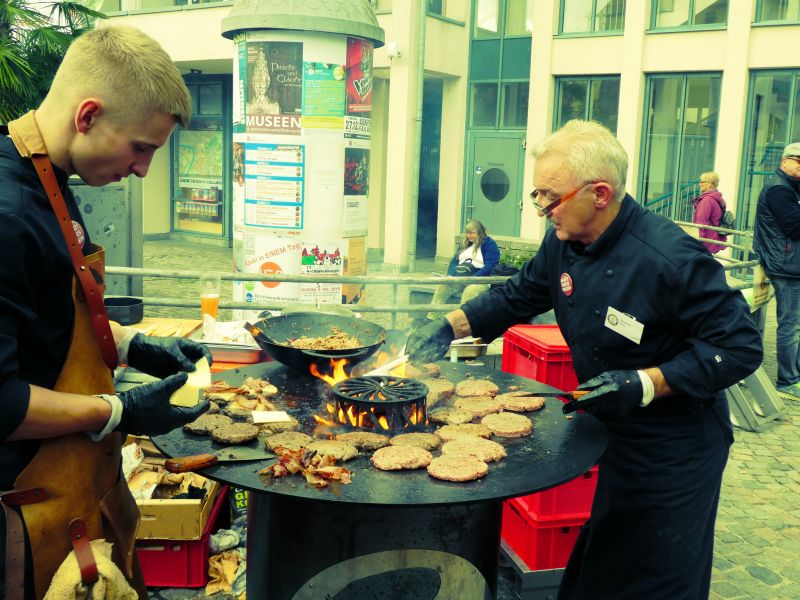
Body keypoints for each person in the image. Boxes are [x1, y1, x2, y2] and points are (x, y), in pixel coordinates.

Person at [408, 120, 762, 599]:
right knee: (601, 567)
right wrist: (450, 326)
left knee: (658, 579)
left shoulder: (670, 257)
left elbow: (739, 346)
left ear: (599, 193)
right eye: (536, 195)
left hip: (677, 445)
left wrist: (644, 382)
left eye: (548, 196)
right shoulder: (563, 240)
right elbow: (519, 294)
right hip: (615, 431)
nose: (540, 210)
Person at [0, 26, 212, 598]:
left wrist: (133, 344)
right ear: (88, 114)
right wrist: (117, 410)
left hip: (73, 494)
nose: (143, 169)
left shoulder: (48, 177)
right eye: (141, 147)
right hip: (20, 518)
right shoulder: (7, 212)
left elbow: (52, 319)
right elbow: (0, 402)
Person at [753, 142, 800, 398]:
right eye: (798, 160)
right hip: (786, 267)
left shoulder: (790, 187)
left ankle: (795, 374)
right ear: (784, 161)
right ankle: (787, 380)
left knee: (795, 325)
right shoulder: (780, 189)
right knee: (790, 325)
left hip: (791, 265)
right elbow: (794, 227)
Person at [427, 219, 500, 321]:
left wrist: (474, 279)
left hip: (480, 280)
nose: (468, 236)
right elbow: (454, 261)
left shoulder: (489, 244)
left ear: (479, 232)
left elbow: (490, 265)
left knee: (469, 291)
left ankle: (461, 323)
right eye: (467, 233)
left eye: (471, 233)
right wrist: (450, 275)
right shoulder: (465, 244)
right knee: (443, 286)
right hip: (460, 277)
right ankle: (431, 319)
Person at [692, 171, 728, 253]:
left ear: (709, 184)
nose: (699, 184)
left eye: (702, 182)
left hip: (706, 243)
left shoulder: (706, 200)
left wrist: (696, 243)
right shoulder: (716, 198)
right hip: (714, 239)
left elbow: (701, 223)